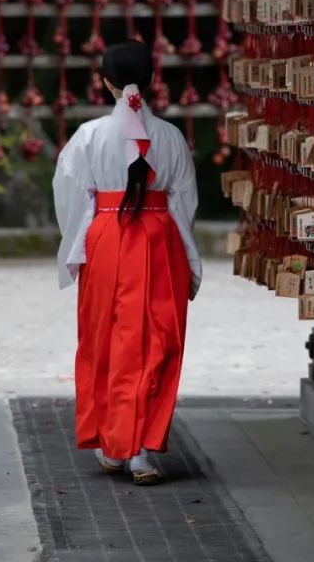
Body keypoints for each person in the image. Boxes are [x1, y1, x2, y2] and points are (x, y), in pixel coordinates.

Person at [52, 40, 202, 485]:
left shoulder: (89, 136)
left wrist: (79, 244)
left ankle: (111, 444)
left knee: (104, 338)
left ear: (105, 82)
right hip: (159, 239)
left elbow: (72, 197)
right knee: (158, 340)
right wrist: (185, 252)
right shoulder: (171, 137)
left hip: (107, 236)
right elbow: (185, 201)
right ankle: (141, 451)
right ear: (152, 81)